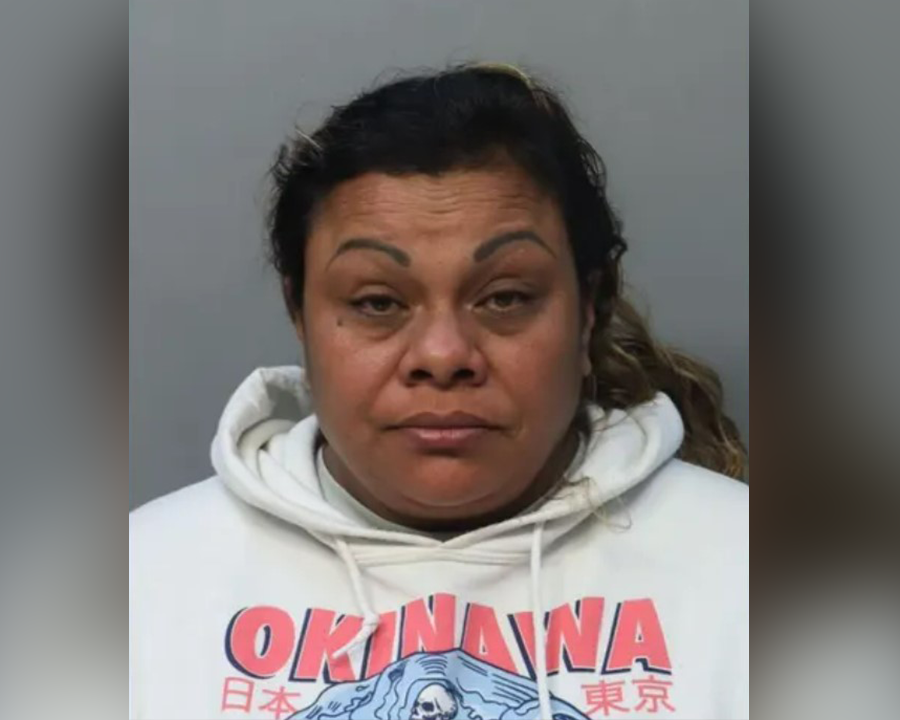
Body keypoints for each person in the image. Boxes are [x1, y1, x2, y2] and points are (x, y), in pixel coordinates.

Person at [129, 63, 748, 720]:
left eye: (505, 298)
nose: (444, 356)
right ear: (299, 312)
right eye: (377, 302)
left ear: (587, 306)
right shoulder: (139, 585)